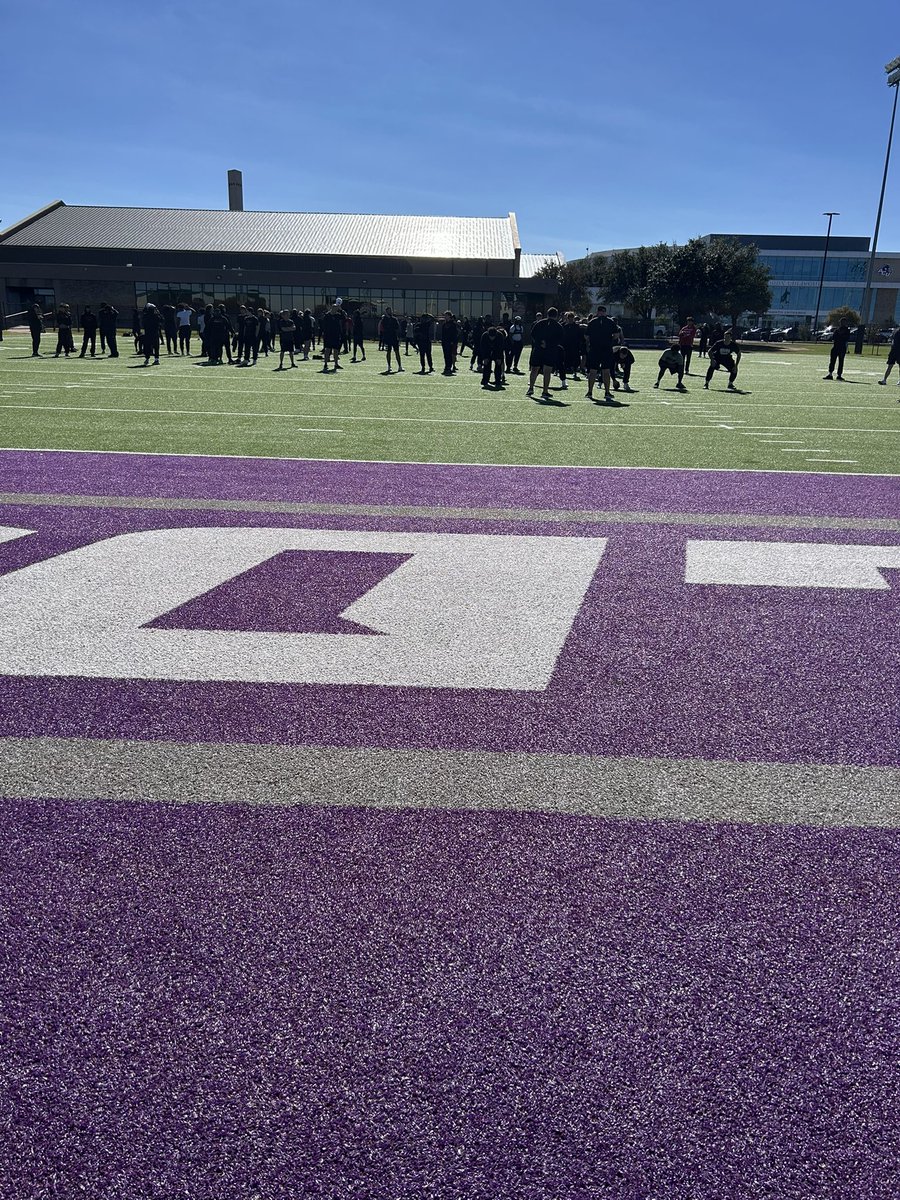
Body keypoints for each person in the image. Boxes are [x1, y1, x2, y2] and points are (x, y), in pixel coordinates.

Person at [527, 307, 564, 400]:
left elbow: (533, 334)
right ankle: (545, 391)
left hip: (538, 349)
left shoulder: (539, 323)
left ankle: (531, 388)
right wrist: (548, 344)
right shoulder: (558, 326)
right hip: (550, 350)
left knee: (535, 368)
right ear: (556, 315)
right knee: (547, 370)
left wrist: (540, 343)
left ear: (547, 314)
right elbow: (560, 339)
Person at [584, 304, 618, 402]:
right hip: (606, 349)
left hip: (595, 349)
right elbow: (616, 335)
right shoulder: (610, 322)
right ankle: (607, 392)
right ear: (605, 312)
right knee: (606, 371)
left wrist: (593, 340)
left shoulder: (592, 322)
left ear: (597, 312)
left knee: (593, 371)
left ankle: (590, 392)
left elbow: (586, 336)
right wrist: (608, 339)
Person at [560, 311, 585, 390]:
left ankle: (575, 372)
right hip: (566, 346)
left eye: (572, 318)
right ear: (567, 318)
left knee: (576, 359)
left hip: (575, 346)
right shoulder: (563, 326)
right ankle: (562, 374)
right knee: (564, 360)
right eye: (569, 318)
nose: (570, 320)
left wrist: (581, 344)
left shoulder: (577, 327)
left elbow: (581, 337)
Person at [479, 316, 506, 389]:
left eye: (493, 337)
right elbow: (482, 348)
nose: (492, 338)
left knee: (498, 366)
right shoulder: (484, 336)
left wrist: (499, 358)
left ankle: (498, 381)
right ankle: (485, 381)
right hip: (487, 352)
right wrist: (485, 357)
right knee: (486, 366)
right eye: (490, 337)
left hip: (497, 352)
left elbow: (501, 348)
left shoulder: (500, 336)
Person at [320, 301, 345, 373]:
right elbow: (323, 325)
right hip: (328, 335)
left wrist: (341, 309)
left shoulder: (338, 315)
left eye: (336, 308)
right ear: (331, 308)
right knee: (327, 350)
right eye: (334, 308)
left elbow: (344, 318)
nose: (335, 309)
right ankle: (325, 364)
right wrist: (324, 334)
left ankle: (336, 364)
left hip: (336, 335)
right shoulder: (327, 315)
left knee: (336, 350)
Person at [382, 306, 403, 373]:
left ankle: (400, 366)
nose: (390, 312)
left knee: (397, 352)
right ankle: (389, 366)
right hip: (388, 337)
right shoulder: (384, 319)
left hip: (394, 337)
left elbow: (397, 327)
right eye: (389, 311)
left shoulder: (394, 319)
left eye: (391, 310)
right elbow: (384, 327)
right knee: (388, 352)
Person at [440, 310, 459, 375]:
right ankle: (446, 366)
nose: (445, 317)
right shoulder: (444, 324)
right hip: (445, 342)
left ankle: (449, 367)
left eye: (446, 316)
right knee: (445, 355)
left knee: (449, 355)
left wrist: (453, 341)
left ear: (449, 316)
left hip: (450, 342)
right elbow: (443, 333)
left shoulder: (453, 324)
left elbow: (454, 334)